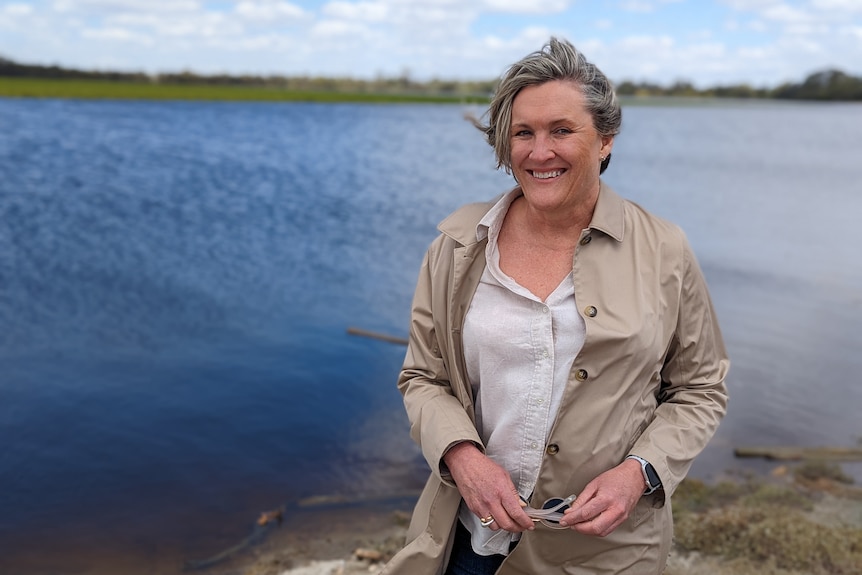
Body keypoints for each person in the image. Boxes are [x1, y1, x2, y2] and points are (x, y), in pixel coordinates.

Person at [381, 37, 729, 575]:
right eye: (524, 133)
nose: (539, 152)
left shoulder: (665, 249)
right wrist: (462, 457)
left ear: (606, 139)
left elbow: (700, 389)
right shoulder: (457, 245)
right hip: (469, 539)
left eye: (562, 131)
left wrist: (640, 471)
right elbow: (422, 378)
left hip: (605, 553)